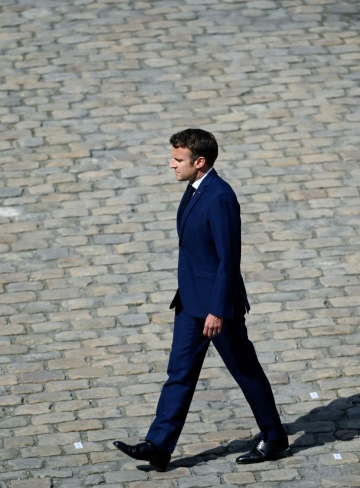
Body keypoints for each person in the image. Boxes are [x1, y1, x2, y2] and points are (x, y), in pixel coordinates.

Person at [114, 128, 288, 470]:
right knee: (179, 372)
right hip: (190, 302)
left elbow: (229, 258)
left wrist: (218, 310)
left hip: (215, 308)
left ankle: (274, 436)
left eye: (178, 160)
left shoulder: (220, 196)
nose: (171, 165)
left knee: (244, 370)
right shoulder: (195, 189)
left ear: (200, 162)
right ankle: (159, 445)